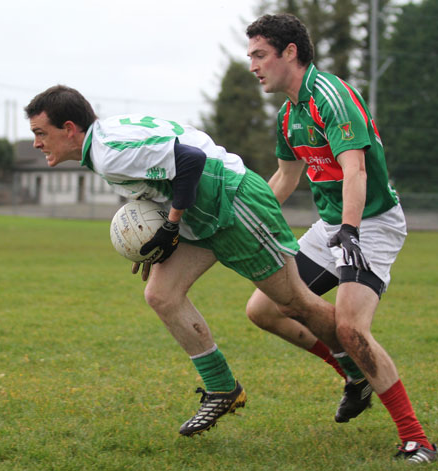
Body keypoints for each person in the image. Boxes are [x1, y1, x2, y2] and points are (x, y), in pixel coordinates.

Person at [25, 85, 357, 438]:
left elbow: (191, 161)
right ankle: (222, 388)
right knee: (161, 295)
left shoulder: (108, 153)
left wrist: (169, 226)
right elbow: (164, 177)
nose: (36, 143)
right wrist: (153, 241)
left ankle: (359, 365)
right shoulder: (107, 139)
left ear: (70, 128)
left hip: (234, 200)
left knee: (294, 303)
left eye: (41, 133)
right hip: (203, 210)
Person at [245, 13, 436, 463]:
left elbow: (356, 170)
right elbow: (285, 178)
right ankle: (354, 375)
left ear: (289, 52)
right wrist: (245, 219)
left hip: (371, 223)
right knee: (264, 309)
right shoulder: (288, 115)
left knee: (351, 327)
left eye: (259, 55)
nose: (252, 65)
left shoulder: (330, 95)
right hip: (333, 224)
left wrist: (350, 230)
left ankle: (416, 438)